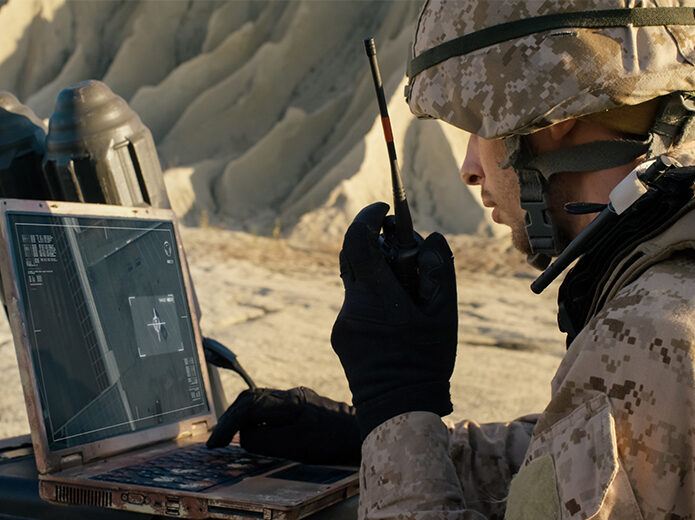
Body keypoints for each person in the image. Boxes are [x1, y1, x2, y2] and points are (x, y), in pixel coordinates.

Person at [208, 1, 695, 518]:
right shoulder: (666, 280)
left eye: (478, 126)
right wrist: (370, 433)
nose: (469, 168)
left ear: (548, 117)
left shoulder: (650, 333)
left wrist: (395, 396)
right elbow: (563, 469)